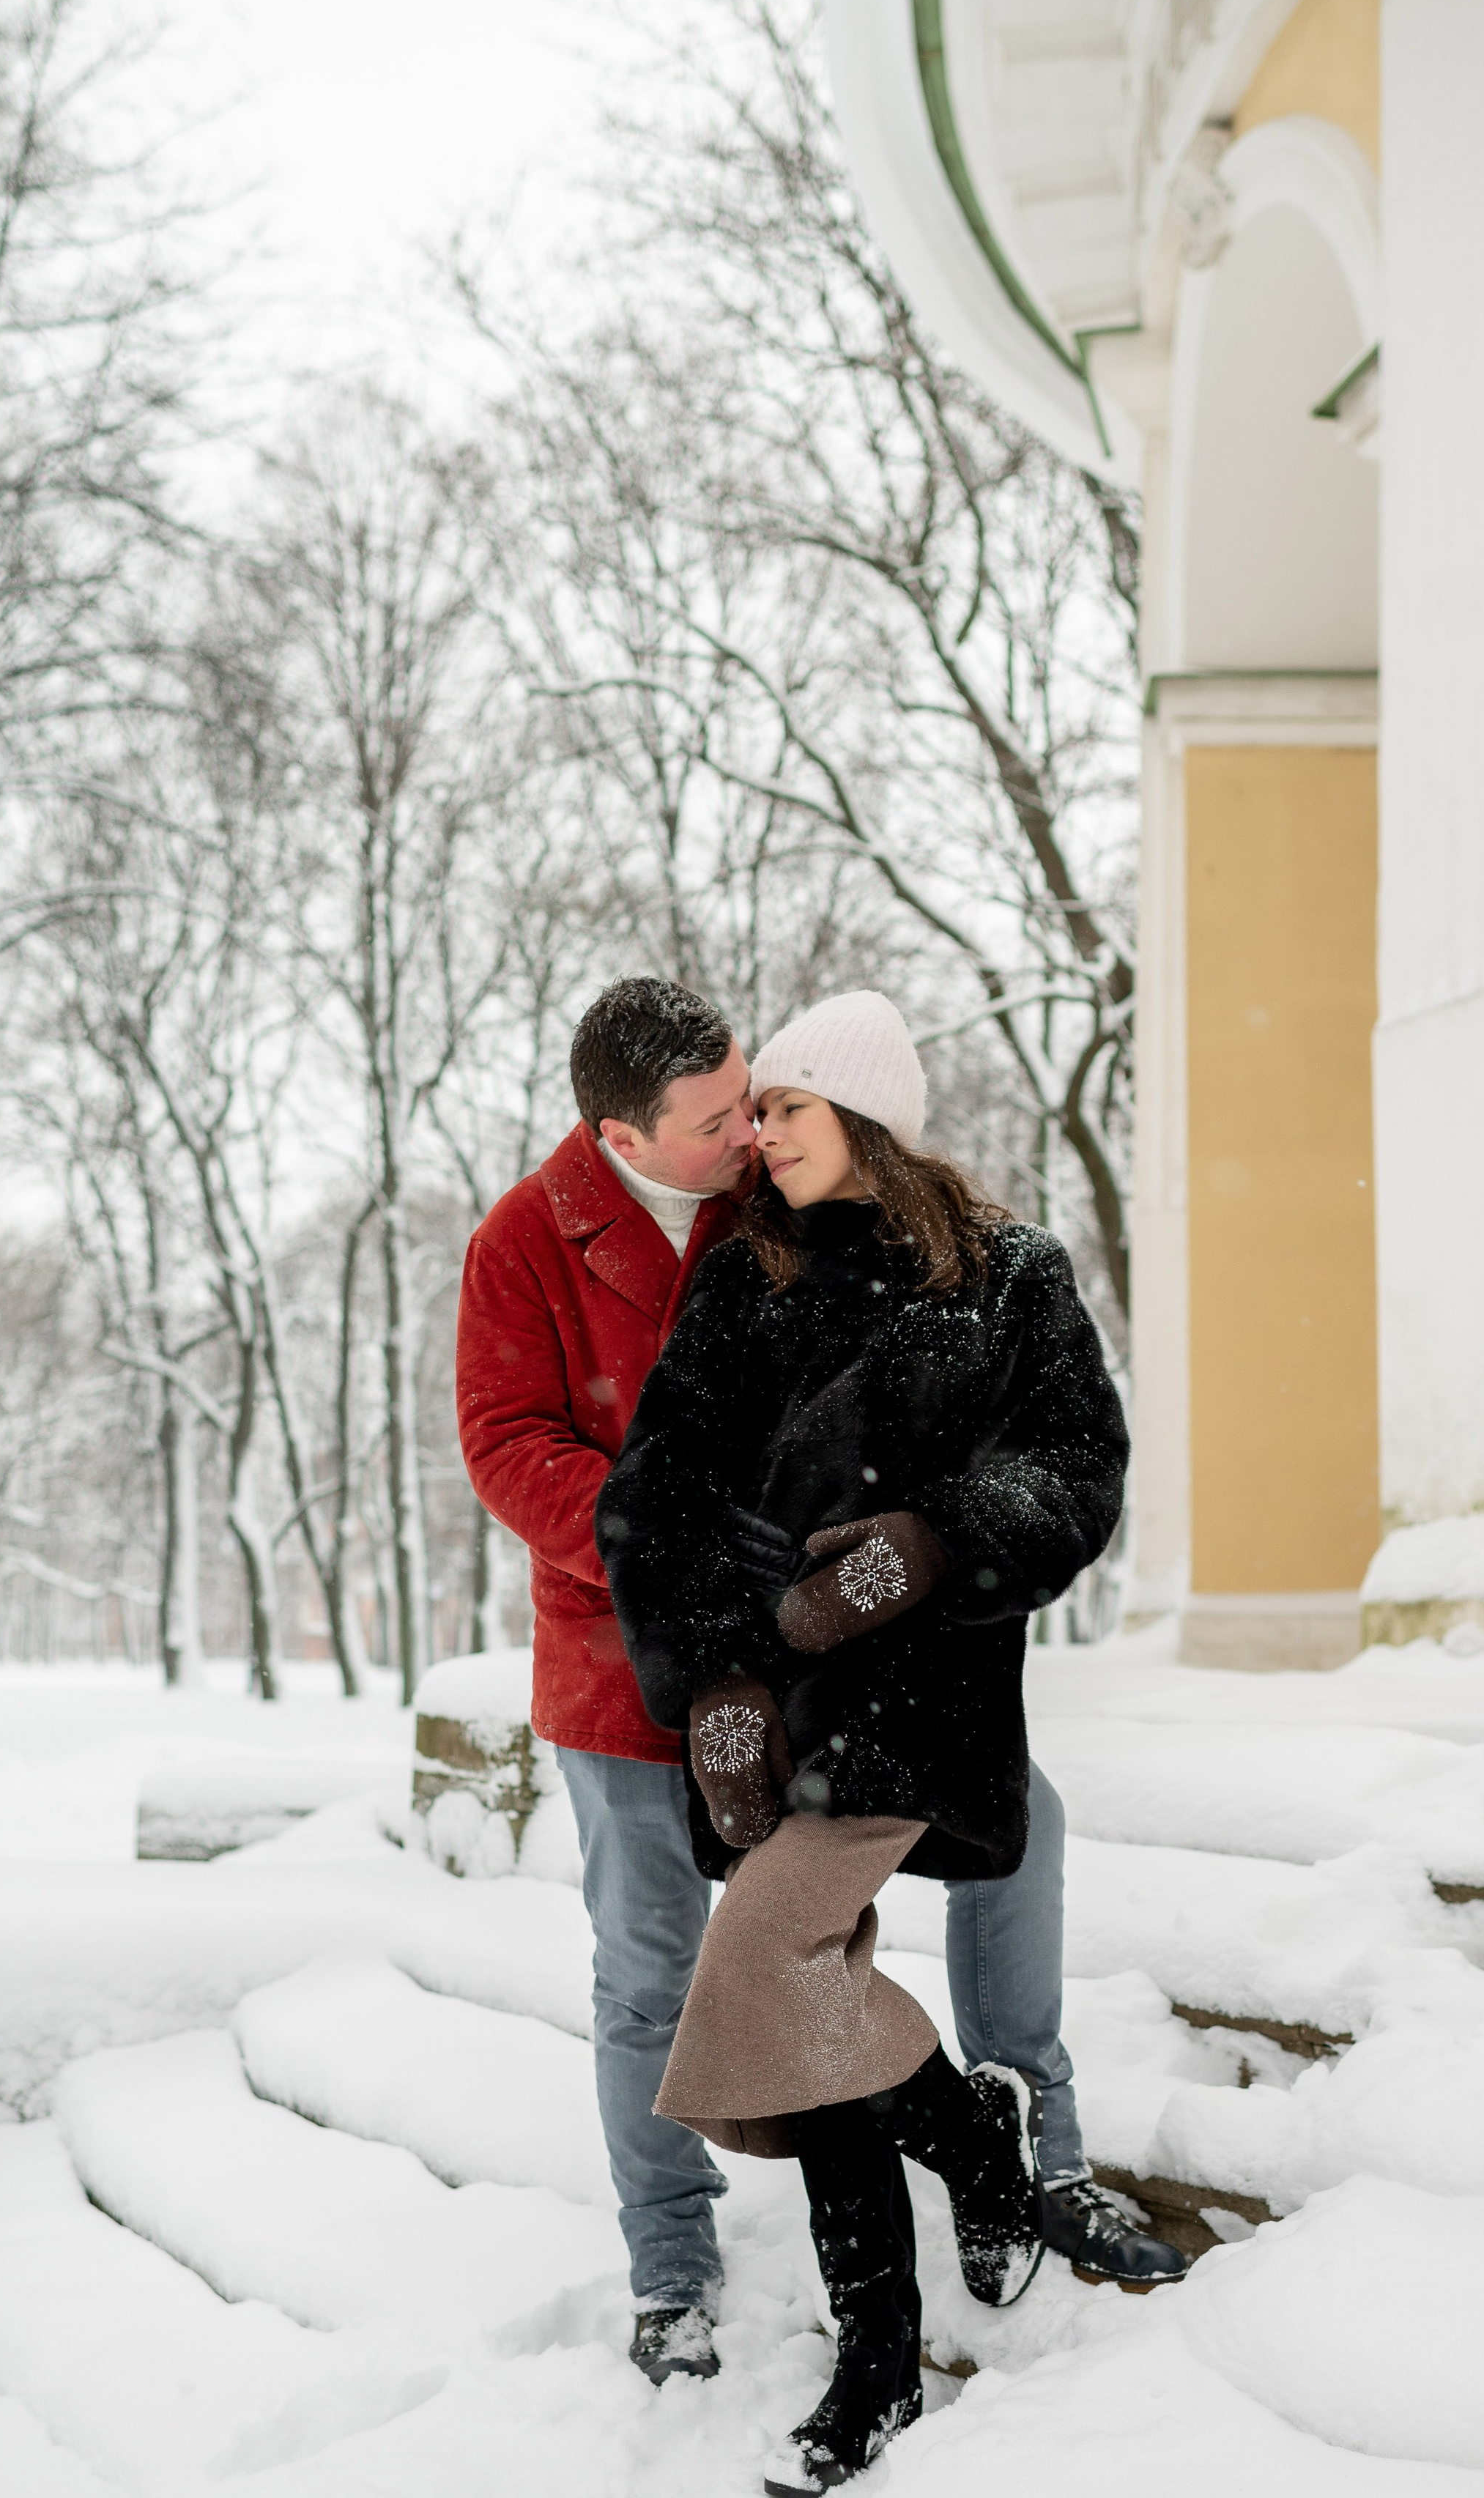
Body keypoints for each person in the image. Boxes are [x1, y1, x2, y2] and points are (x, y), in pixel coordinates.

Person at [456, 978, 1179, 2394]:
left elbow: (1023, 1447)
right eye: (723, 1116)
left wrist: (922, 1555)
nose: (748, 1136)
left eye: (765, 1101)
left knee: (1009, 1848)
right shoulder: (530, 1241)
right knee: (658, 1975)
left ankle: (1031, 2148)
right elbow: (514, 1445)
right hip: (632, 1663)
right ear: (625, 1132)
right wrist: (690, 1587)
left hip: (876, 1670)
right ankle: (674, 2267)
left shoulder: (802, 1218)